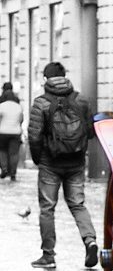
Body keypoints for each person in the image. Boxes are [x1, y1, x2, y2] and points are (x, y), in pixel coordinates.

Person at [28, 62, 97, 269]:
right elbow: (91, 131)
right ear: (65, 76)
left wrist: (38, 159)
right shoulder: (82, 100)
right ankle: (90, 240)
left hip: (50, 163)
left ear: (45, 79)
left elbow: (34, 136)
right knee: (78, 204)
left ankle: (48, 255)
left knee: (47, 208)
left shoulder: (41, 103)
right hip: (76, 162)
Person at [0, 82, 23, 181]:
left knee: (2, 151)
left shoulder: (2, 105)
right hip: (16, 132)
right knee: (14, 153)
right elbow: (21, 119)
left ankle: (4, 169)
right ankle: (13, 173)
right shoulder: (18, 105)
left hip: (2, 132)